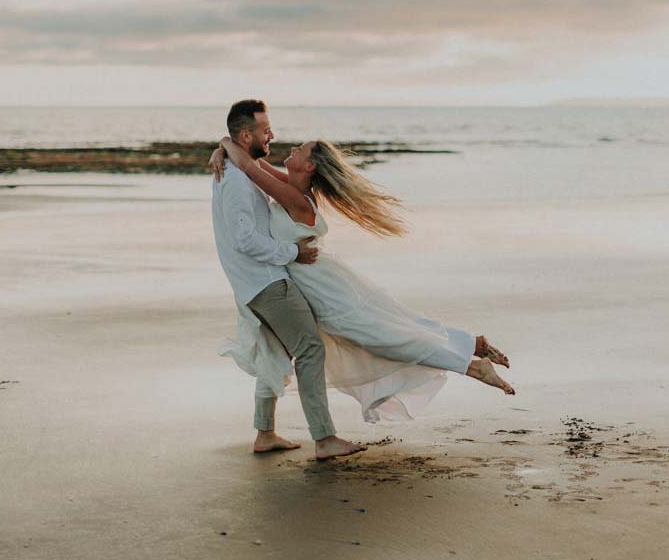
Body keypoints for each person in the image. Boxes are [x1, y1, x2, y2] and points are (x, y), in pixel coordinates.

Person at [210, 108, 514, 424]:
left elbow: (248, 164)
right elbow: (253, 164)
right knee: (395, 324)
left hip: (325, 290)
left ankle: (471, 366)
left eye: (301, 149)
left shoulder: (294, 198)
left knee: (387, 337)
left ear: (310, 165)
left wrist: (225, 144)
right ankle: (472, 345)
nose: (293, 148)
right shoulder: (292, 188)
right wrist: (224, 144)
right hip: (323, 281)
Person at [210, 99, 366, 459]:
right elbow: (244, 240)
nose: (272, 135)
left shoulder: (237, 169)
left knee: (273, 349)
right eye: (265, 130)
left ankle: (265, 433)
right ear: (246, 135)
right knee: (310, 348)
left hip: (253, 283)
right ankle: (324, 438)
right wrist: (294, 254)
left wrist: (223, 146)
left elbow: (249, 165)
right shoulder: (235, 180)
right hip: (265, 282)